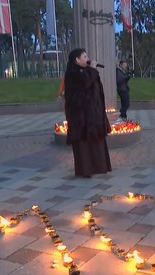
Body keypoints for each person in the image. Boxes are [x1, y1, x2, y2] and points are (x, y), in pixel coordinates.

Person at [64, 48, 112, 178]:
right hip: (80, 118)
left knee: (96, 144)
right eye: (84, 57)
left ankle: (99, 166)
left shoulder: (88, 72)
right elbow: (84, 82)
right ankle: (85, 170)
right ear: (77, 60)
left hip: (93, 116)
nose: (87, 58)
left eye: (86, 56)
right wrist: (92, 69)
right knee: (83, 145)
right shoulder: (72, 74)